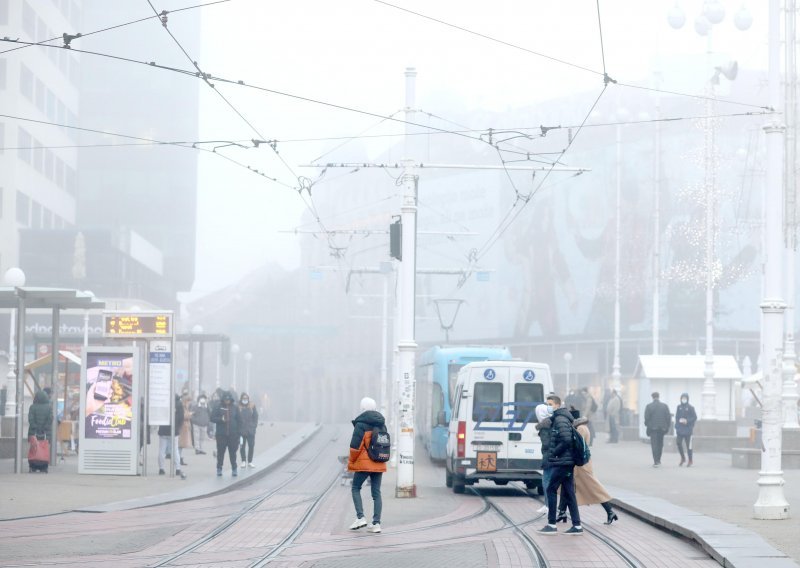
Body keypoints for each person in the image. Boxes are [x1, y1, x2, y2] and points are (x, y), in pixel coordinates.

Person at [556, 409, 618, 525]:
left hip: (581, 466)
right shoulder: (582, 427)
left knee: (594, 489)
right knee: (566, 487)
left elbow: (575, 445)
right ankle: (562, 512)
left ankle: (610, 511)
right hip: (579, 464)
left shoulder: (580, 428)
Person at [538, 394, 583, 536]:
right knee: (569, 493)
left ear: (558, 405)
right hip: (566, 462)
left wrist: (554, 454)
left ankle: (551, 524)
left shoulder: (560, 419)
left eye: (551, 404)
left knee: (551, 489)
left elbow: (566, 440)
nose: (549, 407)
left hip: (562, 462)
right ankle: (577, 525)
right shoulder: (560, 418)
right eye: (547, 404)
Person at [347, 396, 386, 534]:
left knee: (356, 487)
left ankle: (360, 517)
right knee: (376, 493)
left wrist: (351, 461)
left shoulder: (361, 424)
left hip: (364, 464)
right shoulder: (382, 424)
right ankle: (376, 523)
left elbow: (355, 447)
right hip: (379, 461)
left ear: (362, 408)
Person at [211, 390, 241, 477]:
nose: (227, 401)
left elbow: (239, 421)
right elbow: (212, 418)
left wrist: (239, 434)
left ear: (231, 399)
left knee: (233, 453)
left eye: (228, 399)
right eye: (225, 399)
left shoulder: (235, 407)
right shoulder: (218, 406)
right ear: (223, 399)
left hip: (233, 435)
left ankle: (234, 469)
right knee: (220, 453)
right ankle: (219, 469)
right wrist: (221, 419)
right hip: (221, 435)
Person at [158, 394, 185, 479]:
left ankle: (161, 469)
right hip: (174, 431)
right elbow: (181, 418)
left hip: (163, 430)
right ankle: (177, 469)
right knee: (175, 450)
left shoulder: (164, 402)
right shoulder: (179, 404)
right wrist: (178, 427)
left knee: (162, 450)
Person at [644, 392, 671, 467]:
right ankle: (659, 459)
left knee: (654, 445)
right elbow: (668, 417)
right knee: (660, 444)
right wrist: (667, 426)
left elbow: (646, 418)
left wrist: (647, 425)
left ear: (652, 397)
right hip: (662, 429)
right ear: (659, 397)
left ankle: (656, 461)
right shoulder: (664, 406)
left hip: (653, 429)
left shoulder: (649, 406)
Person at [675, 392, 698, 467]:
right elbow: (677, 417)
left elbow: (694, 417)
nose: (683, 399)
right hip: (680, 429)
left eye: (685, 398)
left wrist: (687, 421)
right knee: (678, 443)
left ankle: (690, 460)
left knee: (689, 446)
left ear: (687, 399)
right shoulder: (679, 407)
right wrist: (677, 426)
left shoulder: (691, 407)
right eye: (682, 398)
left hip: (688, 430)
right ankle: (683, 458)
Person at [239, 392, 259, 468]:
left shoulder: (252, 406)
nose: (245, 400)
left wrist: (254, 426)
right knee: (242, 446)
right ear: (241, 399)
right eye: (243, 398)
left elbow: (255, 416)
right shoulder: (238, 406)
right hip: (241, 432)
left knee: (251, 446)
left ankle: (250, 461)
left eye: (246, 398)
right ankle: (243, 461)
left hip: (250, 431)